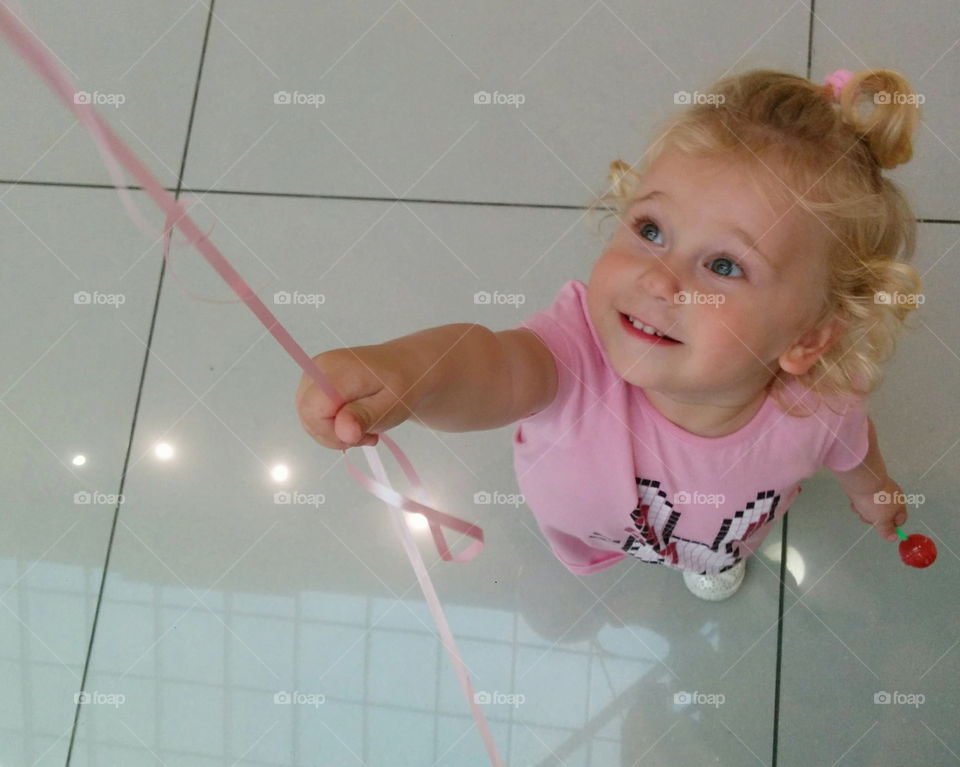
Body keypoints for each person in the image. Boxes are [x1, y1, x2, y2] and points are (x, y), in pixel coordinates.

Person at [295, 68, 923, 601]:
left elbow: (851, 446)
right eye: (651, 230)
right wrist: (410, 373)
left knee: (713, 551)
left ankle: (712, 562)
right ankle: (615, 553)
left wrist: (874, 492)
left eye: (725, 265)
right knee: (580, 540)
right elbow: (489, 364)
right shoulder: (575, 349)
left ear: (809, 341)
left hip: (716, 529)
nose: (657, 280)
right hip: (580, 520)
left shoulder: (823, 401)